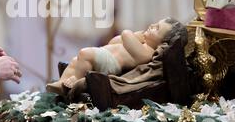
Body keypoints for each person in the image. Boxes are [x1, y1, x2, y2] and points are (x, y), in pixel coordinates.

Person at [46, 18, 187, 94]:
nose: (152, 26)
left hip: (112, 64)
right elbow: (116, 41)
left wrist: (131, 35)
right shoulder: (141, 42)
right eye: (155, 24)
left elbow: (126, 36)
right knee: (75, 61)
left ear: (163, 42)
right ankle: (62, 83)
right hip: (105, 57)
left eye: (157, 29)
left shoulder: (148, 52)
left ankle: (76, 81)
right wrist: (135, 36)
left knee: (85, 53)